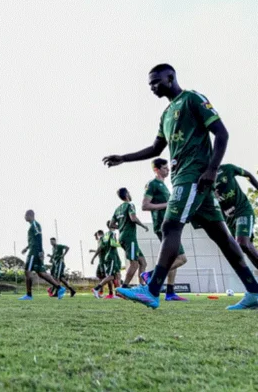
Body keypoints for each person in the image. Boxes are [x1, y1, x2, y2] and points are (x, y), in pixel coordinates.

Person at [103, 64, 258, 310]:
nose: (153, 87)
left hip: (194, 175)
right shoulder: (165, 115)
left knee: (170, 225)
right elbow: (155, 149)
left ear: (171, 77)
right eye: (150, 84)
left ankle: (152, 290)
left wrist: (212, 169)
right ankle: (254, 291)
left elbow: (222, 134)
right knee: (222, 237)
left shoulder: (193, 99)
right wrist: (124, 157)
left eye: (156, 81)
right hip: (185, 178)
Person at [140, 159, 188, 301]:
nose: (168, 170)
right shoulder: (152, 184)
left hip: (172, 225)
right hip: (162, 226)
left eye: (168, 168)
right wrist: (168, 204)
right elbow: (145, 206)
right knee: (181, 259)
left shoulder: (165, 186)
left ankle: (170, 292)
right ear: (156, 169)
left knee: (173, 257)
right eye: (165, 168)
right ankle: (151, 275)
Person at [213, 164, 258, 269]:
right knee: (244, 248)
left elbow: (248, 175)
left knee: (242, 243)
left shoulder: (227, 169)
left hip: (242, 210)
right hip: (228, 219)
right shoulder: (200, 178)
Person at [19, 210, 65, 300]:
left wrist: (40, 251)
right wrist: (26, 247)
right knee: (41, 273)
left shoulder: (35, 225)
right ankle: (60, 288)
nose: (24, 217)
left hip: (34, 252)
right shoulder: (33, 226)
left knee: (27, 271)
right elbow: (34, 240)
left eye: (25, 215)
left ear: (30, 215)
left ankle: (29, 295)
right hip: (34, 250)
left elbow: (39, 238)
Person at [112, 188, 149, 288]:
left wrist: (121, 226)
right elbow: (133, 218)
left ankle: (142, 286)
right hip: (129, 238)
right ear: (127, 194)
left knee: (143, 262)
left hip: (123, 237)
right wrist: (143, 225)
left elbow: (111, 224)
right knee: (135, 264)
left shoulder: (117, 209)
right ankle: (124, 287)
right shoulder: (130, 205)